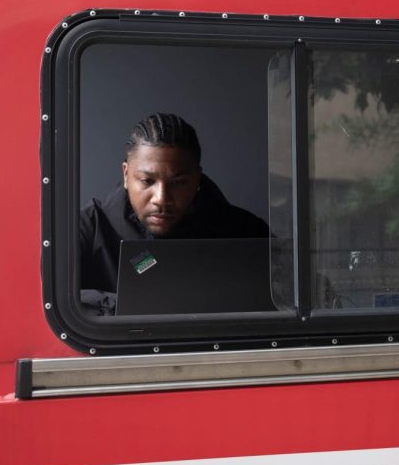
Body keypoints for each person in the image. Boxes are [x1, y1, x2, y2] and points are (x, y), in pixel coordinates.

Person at [78, 113, 270, 314]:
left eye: (178, 183)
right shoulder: (87, 229)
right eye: (147, 181)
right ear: (126, 174)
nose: (161, 198)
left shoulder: (246, 232)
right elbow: (51, 303)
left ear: (197, 178)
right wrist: (129, 309)